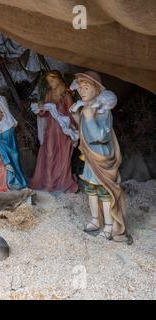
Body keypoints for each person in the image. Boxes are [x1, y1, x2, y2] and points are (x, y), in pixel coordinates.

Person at [70, 71, 130, 242]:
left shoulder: (103, 111)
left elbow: (100, 136)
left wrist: (89, 118)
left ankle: (110, 226)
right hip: (89, 155)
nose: (82, 91)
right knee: (91, 189)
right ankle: (96, 221)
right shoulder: (86, 108)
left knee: (105, 191)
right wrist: (77, 116)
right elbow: (83, 132)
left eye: (86, 87)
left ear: (97, 90)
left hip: (101, 154)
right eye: (80, 87)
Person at [30, 70, 78, 193]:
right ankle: (48, 182)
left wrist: (69, 125)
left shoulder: (66, 95)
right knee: (49, 153)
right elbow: (44, 113)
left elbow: (73, 114)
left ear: (58, 79)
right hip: (51, 129)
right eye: (48, 81)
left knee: (62, 155)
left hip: (62, 131)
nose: (50, 83)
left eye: (52, 80)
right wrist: (41, 108)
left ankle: (60, 181)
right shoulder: (49, 94)